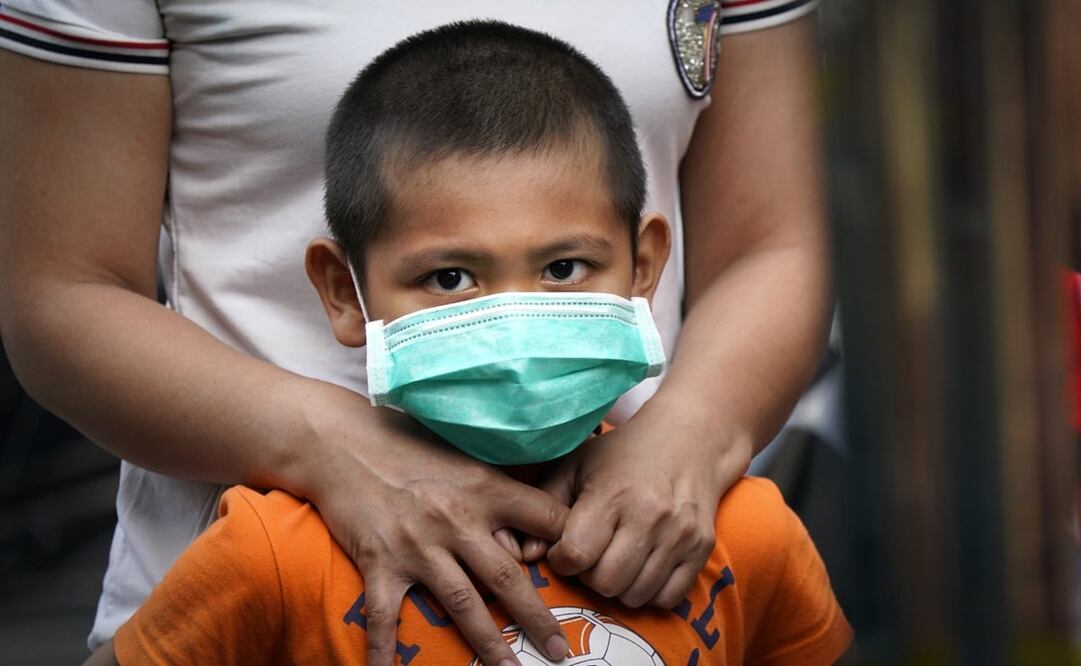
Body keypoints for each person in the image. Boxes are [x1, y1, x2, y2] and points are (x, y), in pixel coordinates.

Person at [0, 2, 830, 664]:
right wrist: (330, 453)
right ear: (337, 287)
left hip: (655, 543)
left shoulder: (752, 539)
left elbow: (771, 243)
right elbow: (62, 289)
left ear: (641, 263)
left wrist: (688, 437)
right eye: (452, 277)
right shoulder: (259, 559)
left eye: (563, 267)